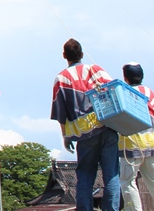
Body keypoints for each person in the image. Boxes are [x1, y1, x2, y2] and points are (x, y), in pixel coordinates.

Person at [51, 38, 119, 211]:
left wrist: (65, 136)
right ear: (82, 54)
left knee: (85, 176)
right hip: (106, 125)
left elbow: (60, 112)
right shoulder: (95, 69)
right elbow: (114, 91)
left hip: (84, 133)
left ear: (64, 55)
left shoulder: (61, 78)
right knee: (111, 175)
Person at [118, 63, 154, 211]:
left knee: (128, 183)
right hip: (152, 143)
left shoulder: (123, 91)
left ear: (125, 77)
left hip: (131, 145)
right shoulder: (150, 92)